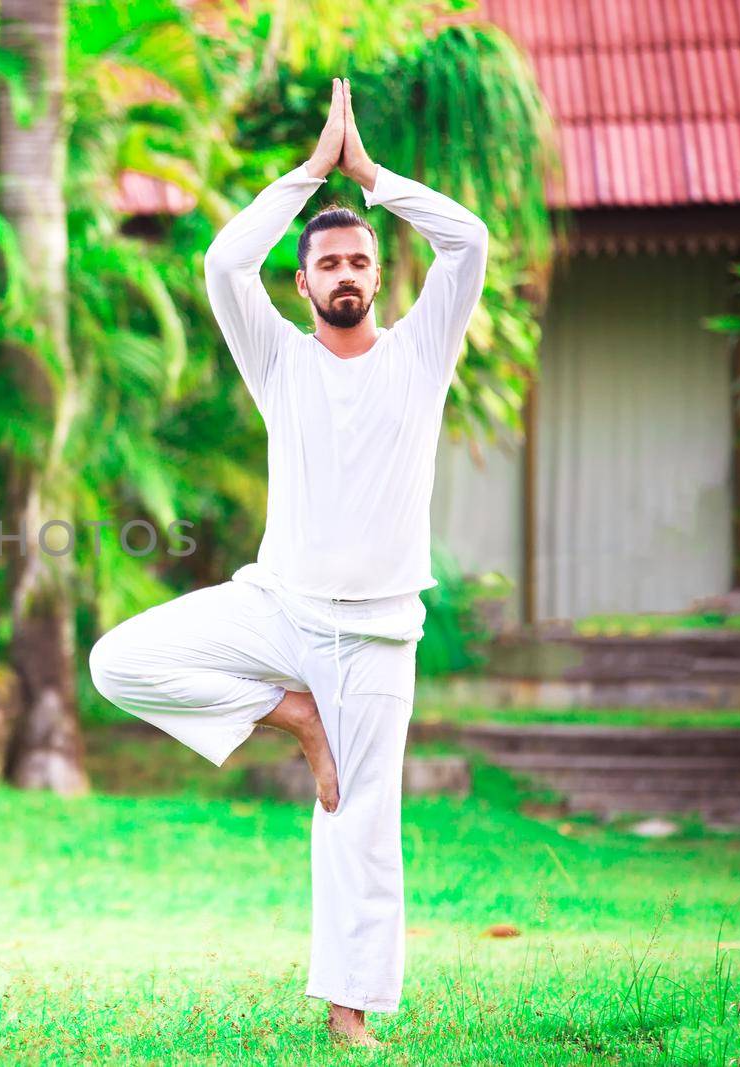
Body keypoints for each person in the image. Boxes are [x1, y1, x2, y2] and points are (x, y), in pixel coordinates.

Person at [88, 77, 488, 1047]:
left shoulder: (420, 352)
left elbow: (467, 242)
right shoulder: (279, 362)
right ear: (303, 286)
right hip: (279, 607)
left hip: (379, 630)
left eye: (358, 259)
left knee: (359, 825)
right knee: (116, 662)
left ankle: (347, 1009)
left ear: (375, 279)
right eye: (327, 262)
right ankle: (288, 715)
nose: (345, 271)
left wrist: (372, 178)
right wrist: (308, 176)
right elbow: (226, 265)